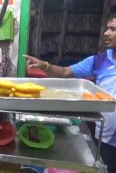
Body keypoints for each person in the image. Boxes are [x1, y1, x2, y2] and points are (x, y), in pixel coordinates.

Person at [25, 13, 116, 173]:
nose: (106, 33)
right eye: (107, 28)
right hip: (104, 136)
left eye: (113, 29)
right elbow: (65, 72)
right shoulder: (99, 60)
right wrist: (44, 65)